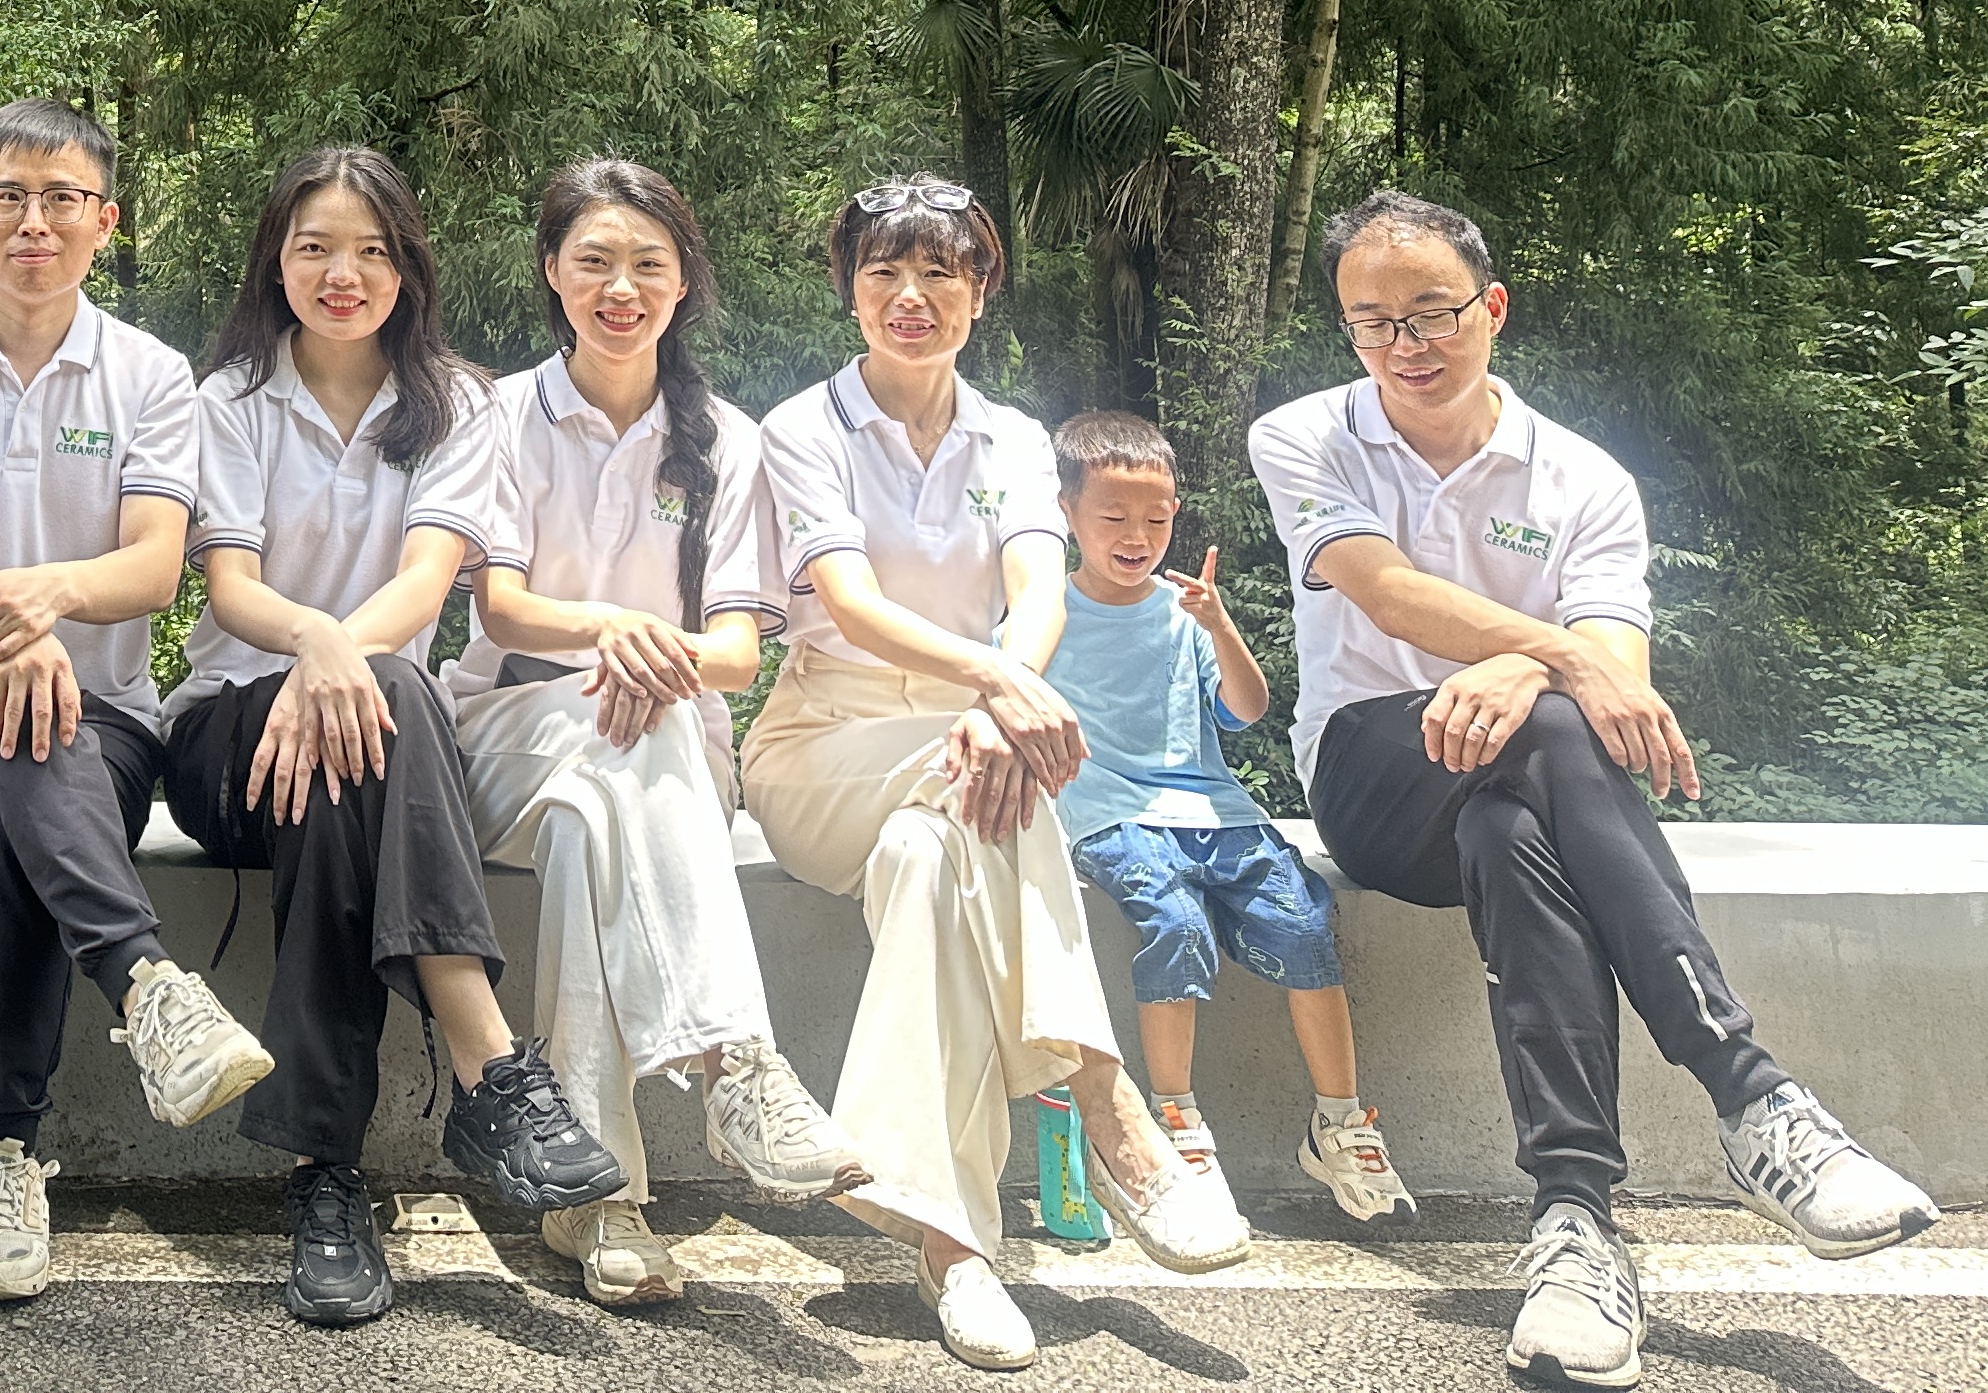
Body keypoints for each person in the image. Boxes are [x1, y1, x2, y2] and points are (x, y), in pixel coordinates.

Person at [1258, 190, 1938, 1391]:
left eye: (1432, 313)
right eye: (1373, 323)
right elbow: (1386, 592)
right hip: (1373, 774)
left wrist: (1538, 670)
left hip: (1524, 778)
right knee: (1554, 724)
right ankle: (1753, 1098)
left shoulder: (1583, 478)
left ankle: (1574, 1228)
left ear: (1493, 308)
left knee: (1515, 824)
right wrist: (1553, 657)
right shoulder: (1306, 435)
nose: (1405, 345)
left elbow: (1620, 672)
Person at [735, 176, 1245, 1373]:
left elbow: (1036, 592)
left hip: (967, 747)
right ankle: (1110, 1101)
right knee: (976, 794)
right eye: (884, 273)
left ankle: (952, 1248)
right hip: (823, 747)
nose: (911, 297)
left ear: (980, 291)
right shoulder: (801, 430)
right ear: (849, 290)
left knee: (930, 863)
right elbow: (851, 604)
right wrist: (998, 693)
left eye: (940, 273)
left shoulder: (1012, 437)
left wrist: (995, 703)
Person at [167, 145, 626, 1329]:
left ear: (409, 268)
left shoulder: (457, 404)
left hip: (376, 752)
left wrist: (337, 669)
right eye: (317, 247)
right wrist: (320, 649)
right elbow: (231, 590)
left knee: (365, 739)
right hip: (230, 737)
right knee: (378, 700)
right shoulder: (225, 400)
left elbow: (429, 581)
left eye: (372, 250)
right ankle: (489, 1065)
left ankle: (324, 1179)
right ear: (276, 260)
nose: (344, 273)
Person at [0, 95, 273, 1305]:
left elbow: (153, 569)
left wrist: (45, 604)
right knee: (12, 719)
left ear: (104, 221)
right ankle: (147, 985)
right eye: (9, 199)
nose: (34, 222)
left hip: (103, 732)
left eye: (62, 199)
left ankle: (1, 1155)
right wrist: (7, 640)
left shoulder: (150, 375)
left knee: (21, 780)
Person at [449, 157, 866, 1314]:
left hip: (654, 750)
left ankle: (599, 1200)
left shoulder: (727, 440)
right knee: (623, 746)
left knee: (596, 821)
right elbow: (503, 611)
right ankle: (737, 1062)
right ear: (552, 272)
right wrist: (624, 635)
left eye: (647, 264)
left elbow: (734, 653)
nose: (620, 288)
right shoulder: (500, 416)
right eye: (594, 261)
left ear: (684, 282)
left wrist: (648, 663)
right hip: (506, 733)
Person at [1046, 407, 1410, 1220]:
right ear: (1066, 512)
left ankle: (1341, 1121)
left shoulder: (1186, 610)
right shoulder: (1046, 614)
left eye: (1156, 520)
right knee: (1177, 925)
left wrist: (1218, 625)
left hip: (1218, 812)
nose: (1137, 536)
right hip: (1112, 814)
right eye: (1113, 517)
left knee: (1304, 925)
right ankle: (1176, 1119)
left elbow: (1246, 709)